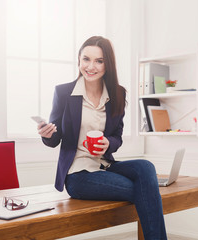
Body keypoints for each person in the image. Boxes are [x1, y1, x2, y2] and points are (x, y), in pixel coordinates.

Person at [38, 36, 167, 239]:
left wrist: (108, 143)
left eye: (99, 61)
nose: (91, 66)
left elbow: (117, 137)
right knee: (145, 190)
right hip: (78, 175)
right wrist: (47, 134)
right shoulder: (63, 93)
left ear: (108, 64)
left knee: (146, 168)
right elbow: (54, 139)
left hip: (105, 165)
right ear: (78, 60)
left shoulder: (117, 94)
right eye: (86, 59)